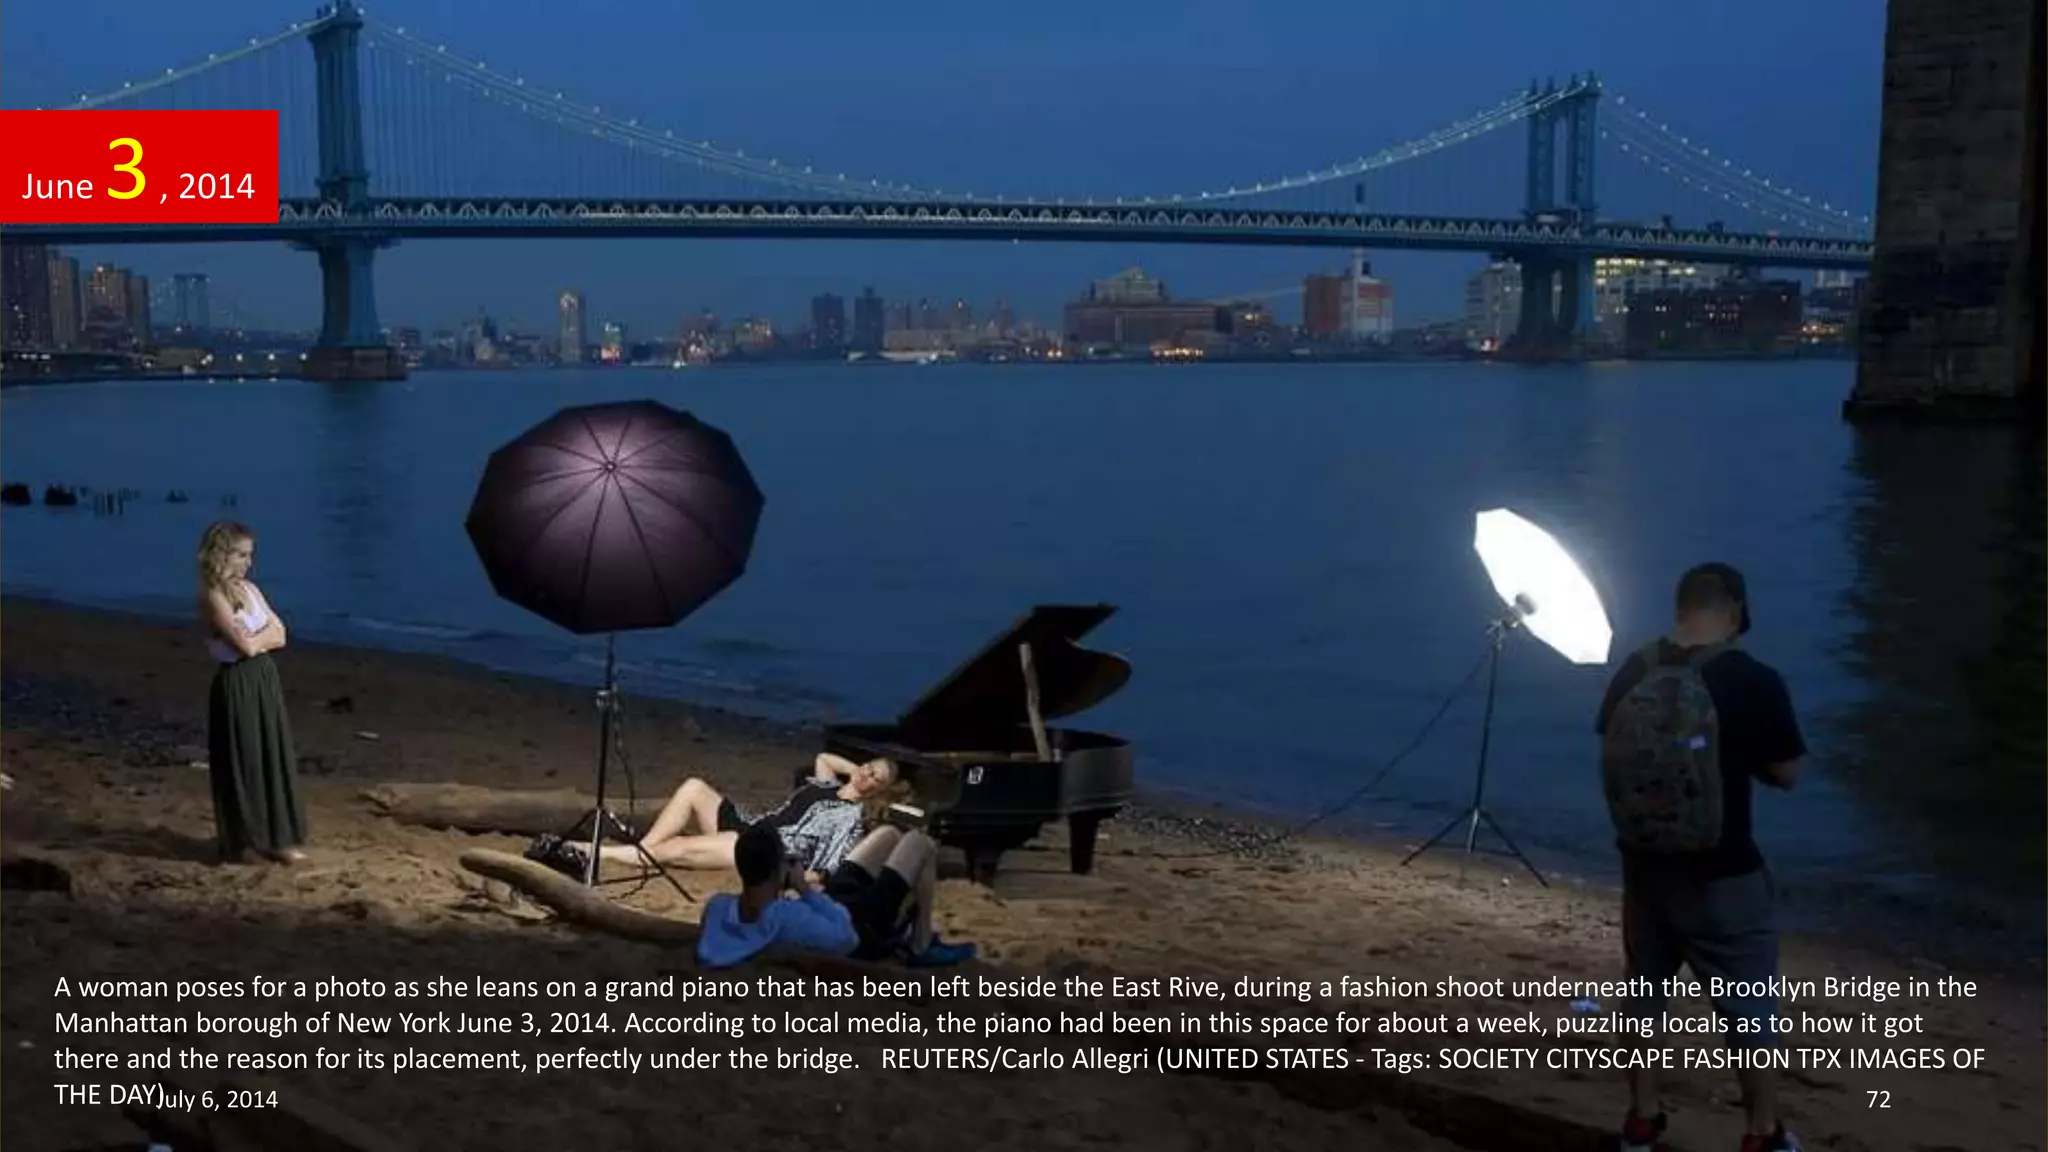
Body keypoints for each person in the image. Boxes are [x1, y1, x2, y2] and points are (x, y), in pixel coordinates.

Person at [1595, 563, 1805, 1152]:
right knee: (1749, 1012)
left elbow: (1614, 751)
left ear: (1680, 607)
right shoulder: (1751, 678)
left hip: (1643, 868)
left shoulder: (1634, 668)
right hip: (1724, 874)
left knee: (1644, 996)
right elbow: (1788, 773)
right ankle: (1762, 1132)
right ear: (1734, 612)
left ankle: (1642, 1118)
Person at [538, 753, 903, 878]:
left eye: (876, 779)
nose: (866, 775)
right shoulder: (826, 786)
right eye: (869, 767)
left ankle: (586, 851)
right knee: (695, 786)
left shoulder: (849, 816)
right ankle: (642, 852)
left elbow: (828, 863)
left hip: (762, 845)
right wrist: (861, 772)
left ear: (880, 790)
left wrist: (792, 875)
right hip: (748, 822)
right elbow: (825, 758)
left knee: (679, 847)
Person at [696, 822, 975, 968]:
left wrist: (803, 892)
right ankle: (921, 943)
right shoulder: (787, 917)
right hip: (864, 925)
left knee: (887, 834)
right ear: (775, 871)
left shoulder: (719, 906)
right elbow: (847, 938)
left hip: (829, 903)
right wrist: (804, 889)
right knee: (920, 841)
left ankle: (918, 935)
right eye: (784, 860)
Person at [195, 521, 308, 865]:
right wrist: (259, 641)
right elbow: (243, 645)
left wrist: (257, 643)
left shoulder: (252, 590)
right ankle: (243, 841)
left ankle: (278, 838)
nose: (248, 562)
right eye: (242, 555)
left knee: (270, 753)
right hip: (237, 682)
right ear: (223, 554)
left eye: (250, 555)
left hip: (263, 678)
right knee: (242, 758)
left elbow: (282, 633)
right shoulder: (212, 596)